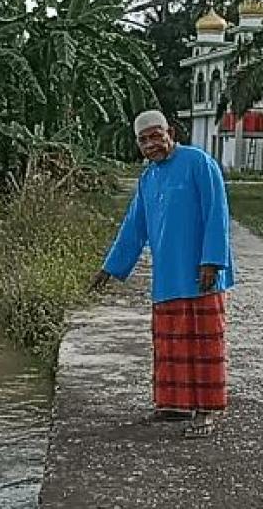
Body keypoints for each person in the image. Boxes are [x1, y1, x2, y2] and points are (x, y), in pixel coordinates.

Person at [90, 109, 235, 439]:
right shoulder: (148, 178)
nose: (150, 144)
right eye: (143, 140)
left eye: (156, 136)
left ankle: (207, 411)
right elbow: (134, 227)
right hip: (168, 275)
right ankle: (173, 404)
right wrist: (109, 268)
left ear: (170, 132)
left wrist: (212, 260)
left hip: (202, 272)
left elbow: (218, 214)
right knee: (169, 343)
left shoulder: (199, 163)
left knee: (204, 343)